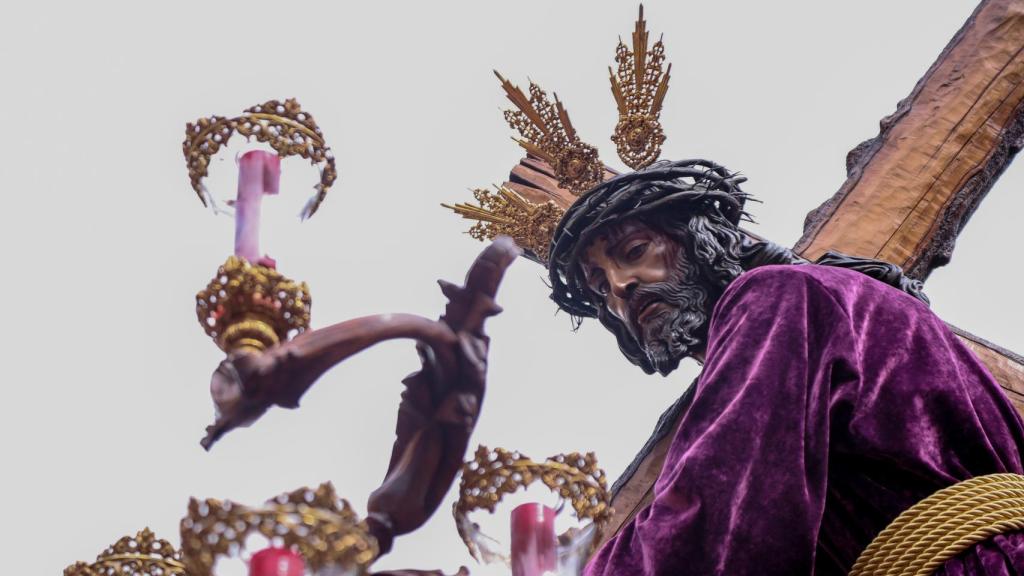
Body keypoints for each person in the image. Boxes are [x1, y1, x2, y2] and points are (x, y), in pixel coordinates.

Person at [543, 159, 1024, 575]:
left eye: (634, 252)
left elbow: (719, 515)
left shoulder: (777, 298)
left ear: (697, 239)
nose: (621, 287)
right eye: (599, 285)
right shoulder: (808, 308)